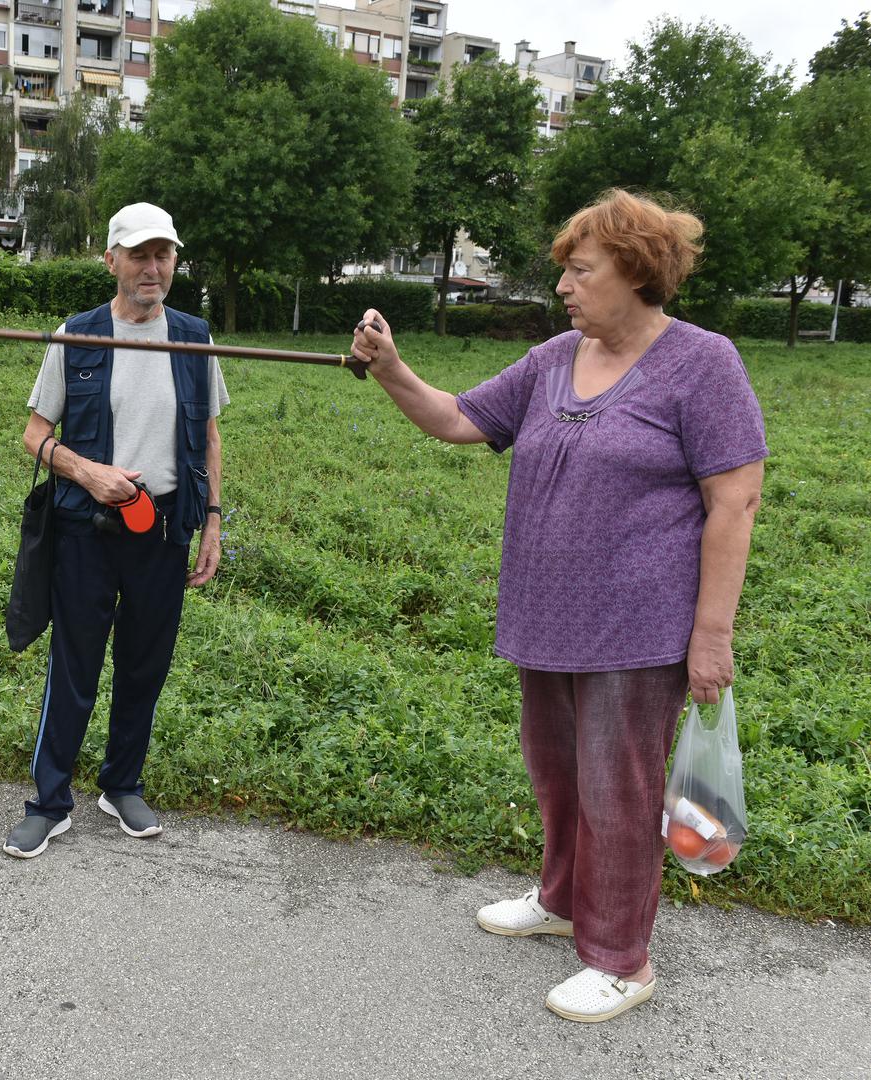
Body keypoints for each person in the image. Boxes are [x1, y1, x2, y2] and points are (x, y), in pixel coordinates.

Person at [348, 189, 767, 1022]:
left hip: (636, 628)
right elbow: (462, 419)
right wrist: (392, 369)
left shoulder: (701, 363)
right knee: (557, 775)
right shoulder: (551, 360)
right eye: (565, 273)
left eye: (581, 271)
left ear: (636, 272)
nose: (564, 288)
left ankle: (621, 959)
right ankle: (565, 901)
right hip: (546, 618)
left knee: (618, 791)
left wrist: (710, 635)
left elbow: (735, 500)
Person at [3, 202, 229, 859]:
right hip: (87, 531)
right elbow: (34, 435)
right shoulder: (75, 334)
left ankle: (120, 784)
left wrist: (212, 518)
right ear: (111, 260)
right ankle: (48, 803)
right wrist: (88, 471)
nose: (152, 266)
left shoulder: (193, 336)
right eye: (138, 254)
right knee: (73, 669)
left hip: (164, 532)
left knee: (143, 668)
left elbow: (209, 435)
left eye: (163, 254)